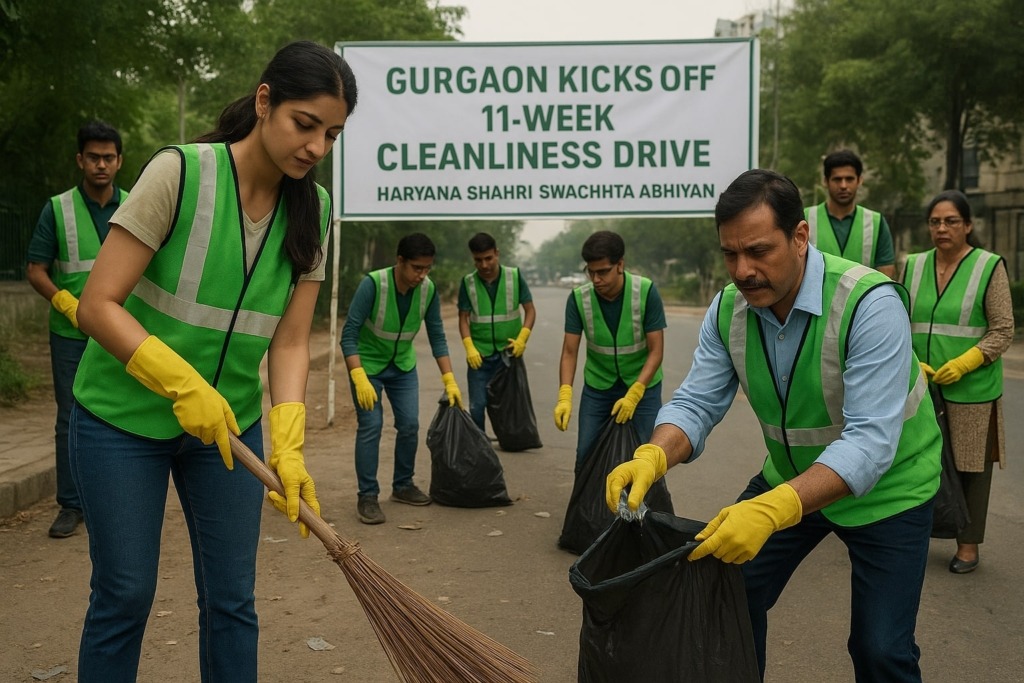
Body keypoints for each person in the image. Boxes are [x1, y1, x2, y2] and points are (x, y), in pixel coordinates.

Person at [69, 41, 356, 682]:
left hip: (228, 430)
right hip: (121, 420)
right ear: (264, 102)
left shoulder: (316, 212)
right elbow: (98, 304)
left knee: (232, 602)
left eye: (331, 135)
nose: (315, 147)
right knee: (125, 595)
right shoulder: (181, 173)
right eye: (304, 124)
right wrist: (181, 383)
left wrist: (288, 438)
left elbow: (288, 342)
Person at [607, 169, 942, 681]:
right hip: (791, 478)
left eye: (759, 251)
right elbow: (697, 401)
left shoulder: (869, 304)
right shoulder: (728, 309)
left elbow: (871, 444)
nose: (743, 271)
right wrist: (651, 455)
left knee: (880, 649)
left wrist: (771, 509)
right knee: (727, 596)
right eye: (730, 254)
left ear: (800, 237)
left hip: (890, 490)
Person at [902, 190, 1013, 574]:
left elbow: (1002, 330)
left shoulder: (988, 266)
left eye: (951, 221)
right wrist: (913, 360)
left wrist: (965, 363)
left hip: (972, 391)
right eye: (935, 221)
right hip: (923, 385)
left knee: (970, 470)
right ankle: (915, 536)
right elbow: (898, 322)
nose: (941, 228)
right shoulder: (913, 266)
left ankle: (968, 545)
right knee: (917, 464)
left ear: (967, 225)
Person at [25, 120, 127, 539]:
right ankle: (71, 505)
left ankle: (115, 497)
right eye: (93, 157)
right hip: (70, 333)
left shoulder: (137, 203)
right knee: (70, 415)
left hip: (121, 330)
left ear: (119, 162)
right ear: (80, 160)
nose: (101, 164)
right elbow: (35, 269)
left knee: (122, 412)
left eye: (108, 157)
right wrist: (64, 301)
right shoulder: (58, 208)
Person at [343, 232, 463, 525]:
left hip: (403, 367)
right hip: (368, 367)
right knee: (371, 425)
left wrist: (450, 379)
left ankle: (403, 485)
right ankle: (368, 496)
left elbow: (437, 336)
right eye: (416, 268)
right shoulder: (373, 284)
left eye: (427, 269)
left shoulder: (428, 290)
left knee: (410, 424)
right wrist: (357, 375)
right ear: (400, 261)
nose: (421, 275)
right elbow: (349, 335)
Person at [554, 230, 665, 472]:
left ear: (620, 265)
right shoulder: (578, 299)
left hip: (642, 388)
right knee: (586, 454)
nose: (595, 279)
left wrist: (636, 392)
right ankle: (588, 510)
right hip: (598, 387)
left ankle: (644, 509)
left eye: (602, 271)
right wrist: (565, 394)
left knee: (646, 458)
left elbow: (656, 351)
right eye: (590, 272)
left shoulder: (645, 291)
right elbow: (569, 352)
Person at [458, 231, 536, 432]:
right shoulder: (468, 283)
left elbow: (530, 310)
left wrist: (522, 338)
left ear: (497, 254)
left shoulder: (514, 277)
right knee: (477, 406)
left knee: (508, 405)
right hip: (479, 357)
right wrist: (469, 347)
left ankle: (510, 438)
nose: (484, 265)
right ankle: (479, 445)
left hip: (507, 354)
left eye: (488, 258)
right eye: (478, 260)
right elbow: (463, 318)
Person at [804, 149, 896, 277]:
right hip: (818, 297)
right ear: (825, 181)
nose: (843, 185)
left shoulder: (876, 223)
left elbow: (886, 276)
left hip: (863, 297)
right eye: (837, 179)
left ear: (860, 180)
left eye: (849, 179)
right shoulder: (805, 219)